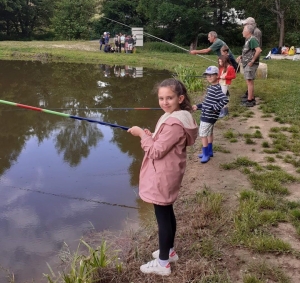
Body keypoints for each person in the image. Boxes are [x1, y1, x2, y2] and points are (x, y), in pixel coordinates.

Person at [127, 78, 198, 276]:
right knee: (167, 212)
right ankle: (170, 251)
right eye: (161, 98)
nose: (164, 102)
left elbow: (156, 152)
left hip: (163, 176)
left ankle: (163, 263)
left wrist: (142, 135)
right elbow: (162, 142)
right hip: (169, 173)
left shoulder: (174, 123)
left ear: (180, 98)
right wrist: (150, 135)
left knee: (163, 218)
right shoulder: (178, 116)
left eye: (169, 98)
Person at [192, 66, 229, 163]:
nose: (208, 77)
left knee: (203, 134)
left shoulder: (216, 89)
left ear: (217, 75)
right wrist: (198, 106)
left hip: (208, 116)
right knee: (209, 133)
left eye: (211, 75)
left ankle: (205, 154)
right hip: (208, 115)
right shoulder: (211, 87)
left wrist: (215, 108)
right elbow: (208, 102)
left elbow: (225, 100)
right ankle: (210, 151)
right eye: (207, 75)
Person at [237, 25, 262, 107]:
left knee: (249, 82)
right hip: (247, 63)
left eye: (243, 30)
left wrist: (252, 61)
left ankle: (249, 101)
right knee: (249, 81)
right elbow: (248, 51)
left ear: (248, 31)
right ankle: (251, 97)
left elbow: (258, 50)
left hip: (250, 64)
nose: (242, 32)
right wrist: (241, 56)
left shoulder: (252, 39)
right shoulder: (248, 40)